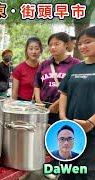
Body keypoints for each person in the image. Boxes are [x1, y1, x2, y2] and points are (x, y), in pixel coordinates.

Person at [59, 26, 95, 179]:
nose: (83, 46)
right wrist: (62, 117)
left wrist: (90, 123)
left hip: (92, 133)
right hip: (72, 131)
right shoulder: (75, 68)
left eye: (88, 42)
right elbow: (64, 93)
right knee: (66, 172)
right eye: (80, 43)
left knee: (86, 173)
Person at [34, 32, 80, 125]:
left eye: (57, 44)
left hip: (64, 110)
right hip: (43, 108)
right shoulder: (44, 64)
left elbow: (76, 90)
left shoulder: (76, 64)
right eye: (50, 45)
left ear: (66, 44)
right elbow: (37, 84)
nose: (53, 47)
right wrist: (38, 102)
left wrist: (57, 104)